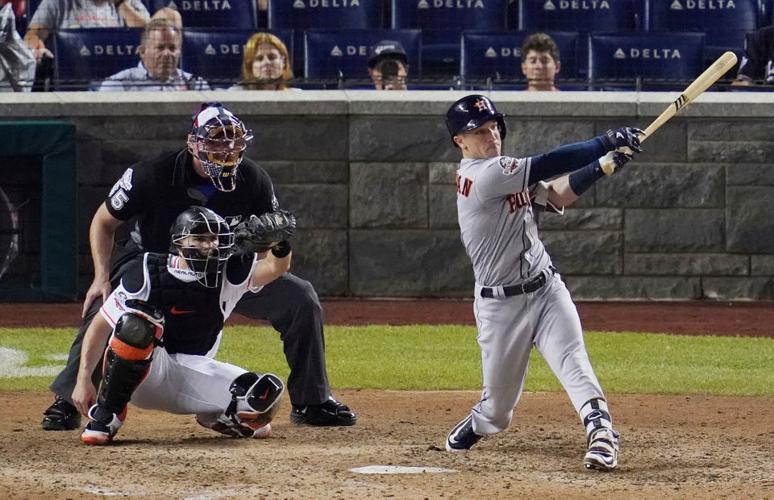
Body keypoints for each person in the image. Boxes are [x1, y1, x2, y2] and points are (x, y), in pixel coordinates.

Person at [41, 102, 356, 432]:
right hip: (154, 261)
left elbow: (269, 246)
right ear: (193, 144)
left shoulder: (254, 179)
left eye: (234, 143)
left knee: (300, 297)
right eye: (217, 142)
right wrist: (100, 276)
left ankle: (313, 400)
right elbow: (104, 222)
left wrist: (265, 256)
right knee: (107, 304)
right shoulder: (152, 173)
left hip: (223, 268)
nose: (227, 151)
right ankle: (69, 398)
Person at [443, 94, 642, 471]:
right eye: (480, 132)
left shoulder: (504, 171)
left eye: (493, 127)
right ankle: (483, 420)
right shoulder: (483, 174)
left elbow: (555, 195)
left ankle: (601, 432)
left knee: (573, 360)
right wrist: (606, 141)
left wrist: (602, 166)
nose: (491, 136)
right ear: (461, 142)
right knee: (499, 409)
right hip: (499, 306)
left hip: (545, 286)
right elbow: (550, 162)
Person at [71, 205, 292, 444]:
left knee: (264, 397)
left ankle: (217, 416)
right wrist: (83, 379)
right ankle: (108, 414)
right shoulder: (147, 270)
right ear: (179, 242)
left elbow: (275, 267)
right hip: (146, 376)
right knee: (135, 325)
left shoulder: (229, 272)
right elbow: (101, 325)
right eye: (199, 238)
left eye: (214, 239)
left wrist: (278, 244)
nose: (209, 246)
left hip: (194, 371)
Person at [23, 0, 179, 63]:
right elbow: (32, 35)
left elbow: (150, 37)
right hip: (77, 75)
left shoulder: (129, 2)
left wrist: (120, 4)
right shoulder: (56, 2)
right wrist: (37, 46)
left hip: (126, 77)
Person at [97, 18, 209, 91]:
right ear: (142, 52)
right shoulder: (118, 84)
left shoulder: (195, 84)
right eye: (160, 48)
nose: (167, 53)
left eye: (172, 48)